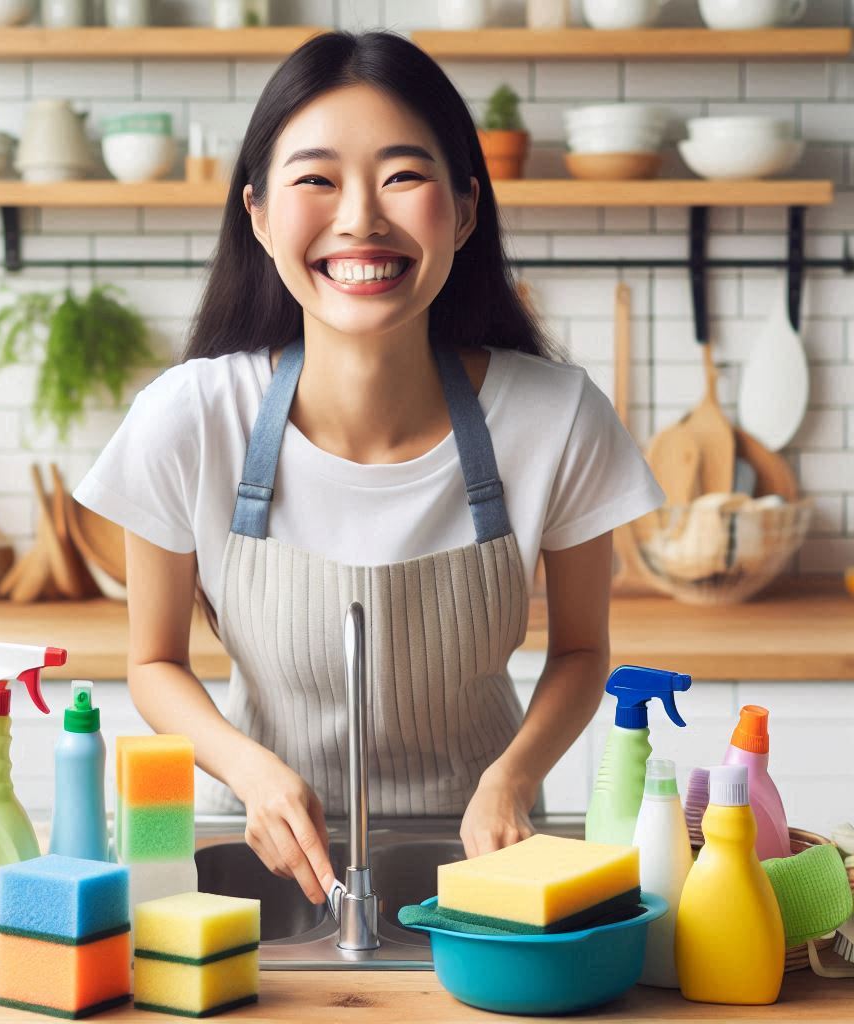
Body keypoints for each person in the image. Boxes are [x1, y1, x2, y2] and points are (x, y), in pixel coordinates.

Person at [73, 29, 665, 910]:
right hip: (266, 850)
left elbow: (583, 651)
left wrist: (511, 779)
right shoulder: (189, 418)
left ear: (464, 211)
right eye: (316, 178)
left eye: (402, 176)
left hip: (488, 851)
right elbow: (154, 662)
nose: (360, 218)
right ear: (261, 214)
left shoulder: (556, 418)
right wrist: (249, 770)